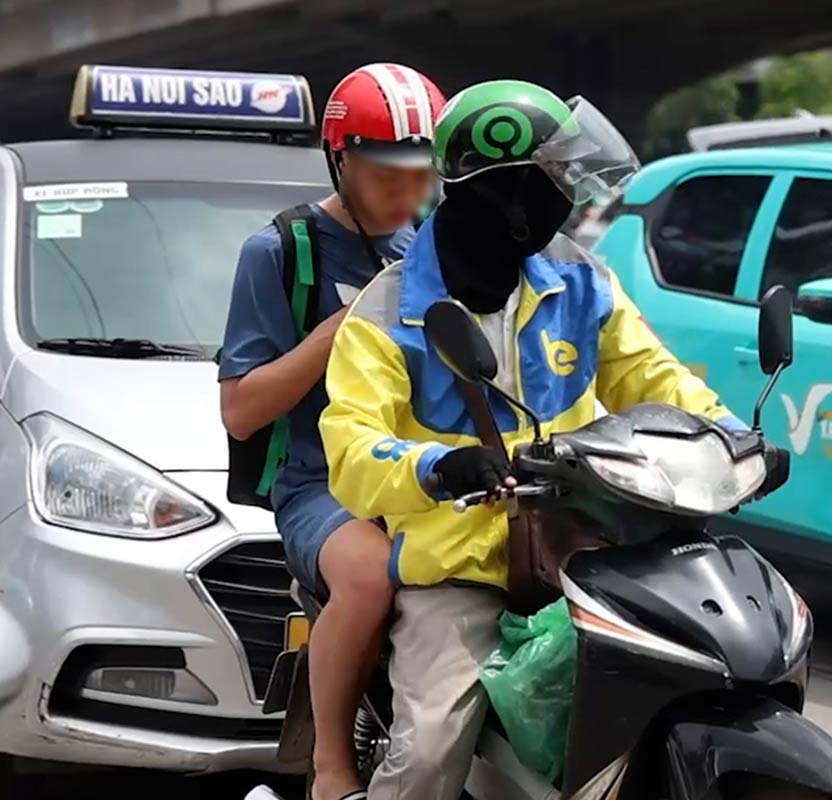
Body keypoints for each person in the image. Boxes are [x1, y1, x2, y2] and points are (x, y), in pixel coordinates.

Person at [318, 80, 791, 800]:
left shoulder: (578, 278)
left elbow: (651, 376)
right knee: (427, 756)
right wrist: (440, 469)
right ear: (504, 191)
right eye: (554, 177)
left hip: (594, 543)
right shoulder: (387, 313)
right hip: (466, 568)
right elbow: (351, 452)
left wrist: (732, 436)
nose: (568, 193)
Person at [218, 63, 445, 800]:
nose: (407, 196)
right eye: (387, 176)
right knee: (370, 573)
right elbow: (241, 409)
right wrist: (340, 332)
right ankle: (329, 772)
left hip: (423, 471)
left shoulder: (428, 251)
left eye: (421, 177)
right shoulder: (283, 251)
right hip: (324, 484)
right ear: (340, 159)